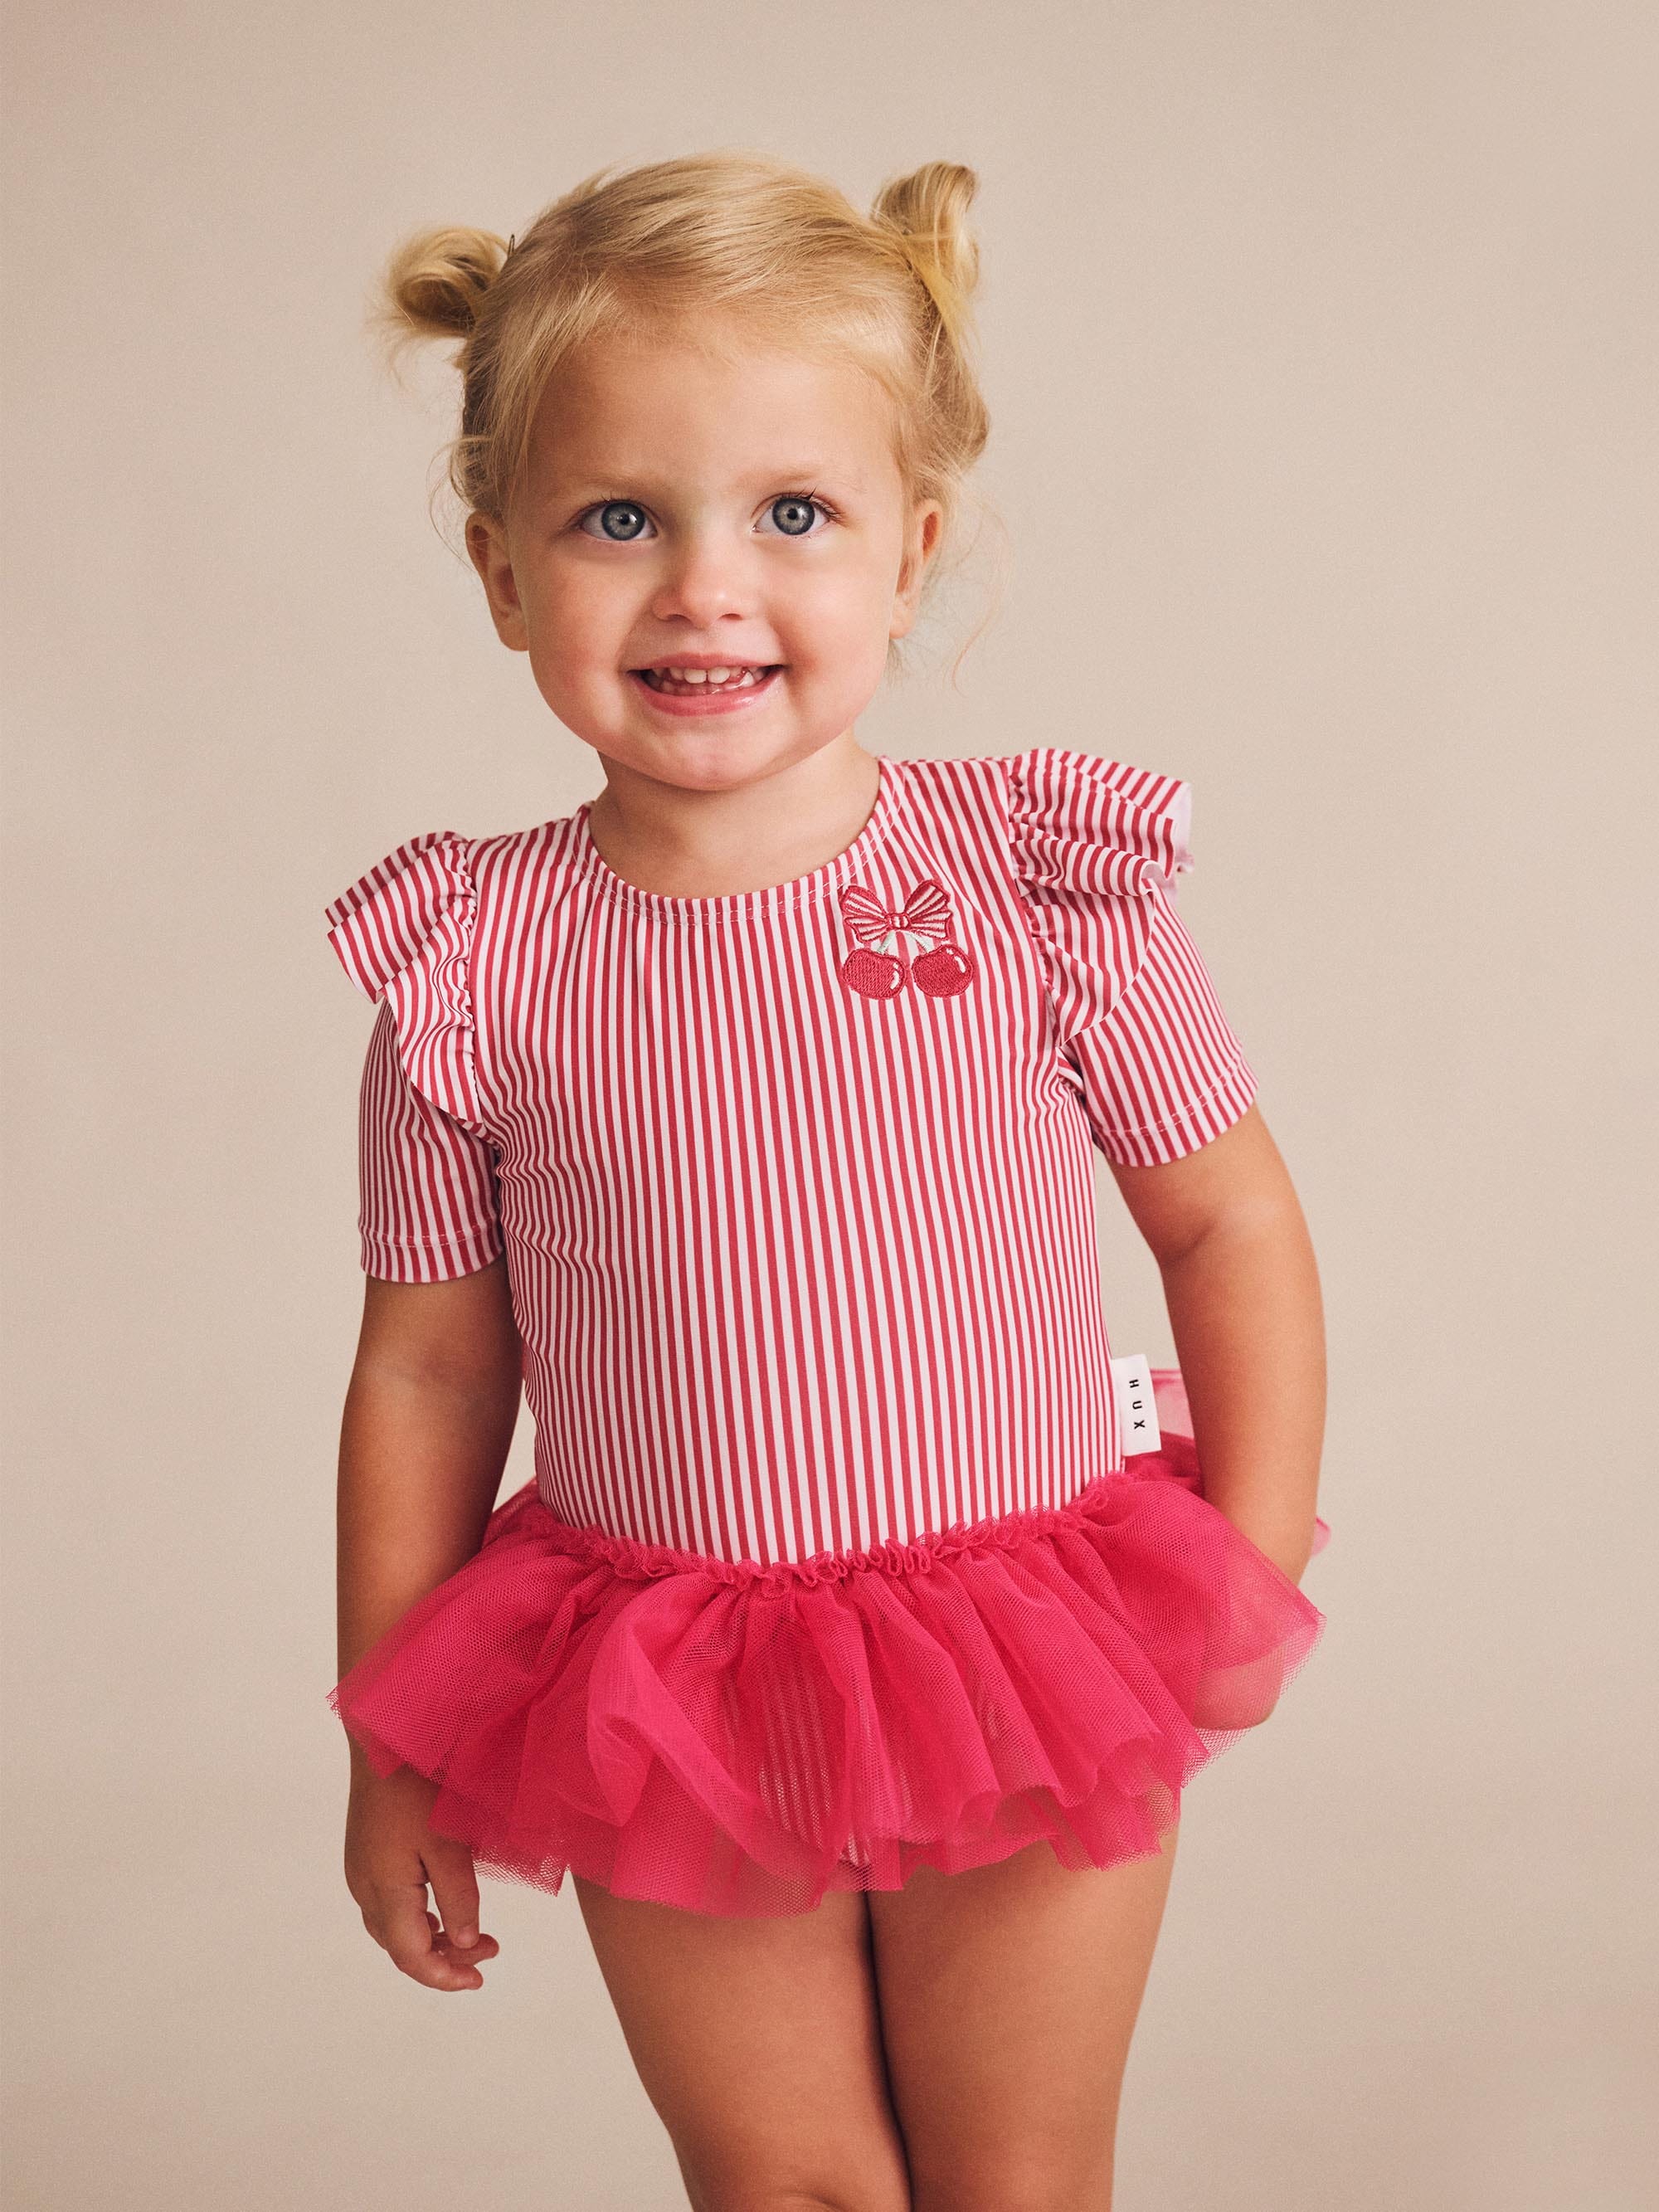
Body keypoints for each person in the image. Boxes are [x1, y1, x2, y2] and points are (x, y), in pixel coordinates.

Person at [324, 149, 1331, 2210]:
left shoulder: (1031, 888)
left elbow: (1225, 1217)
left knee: (1014, 2174)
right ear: (504, 573)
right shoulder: (469, 967)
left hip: (1020, 1633)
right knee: (781, 2180)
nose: (706, 586)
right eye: (619, 518)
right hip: (665, 1681)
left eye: (792, 513)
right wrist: (389, 1739)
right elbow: (427, 1369)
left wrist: (1240, 1566)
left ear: (908, 551)